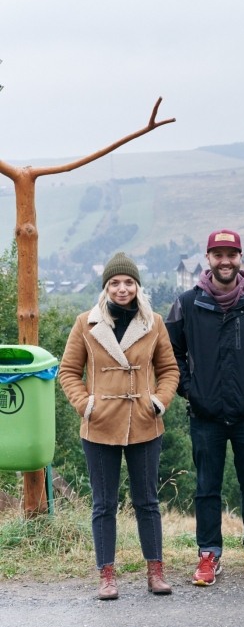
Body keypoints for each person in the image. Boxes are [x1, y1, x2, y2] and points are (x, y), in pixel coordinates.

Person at [166, 230, 244, 586]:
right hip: (205, 416)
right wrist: (191, 391)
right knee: (206, 487)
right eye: (218, 254)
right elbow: (171, 355)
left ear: (240, 258)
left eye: (231, 254)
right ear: (208, 259)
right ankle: (208, 555)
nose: (225, 261)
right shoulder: (186, 303)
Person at [58, 253, 180, 600]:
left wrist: (158, 402)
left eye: (128, 282)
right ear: (106, 287)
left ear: (137, 286)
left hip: (143, 422)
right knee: (103, 503)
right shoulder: (86, 323)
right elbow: (68, 372)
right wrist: (86, 405)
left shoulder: (154, 322)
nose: (122, 288)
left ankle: (155, 572)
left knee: (147, 501)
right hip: (99, 425)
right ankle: (106, 576)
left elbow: (170, 370)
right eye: (115, 283)